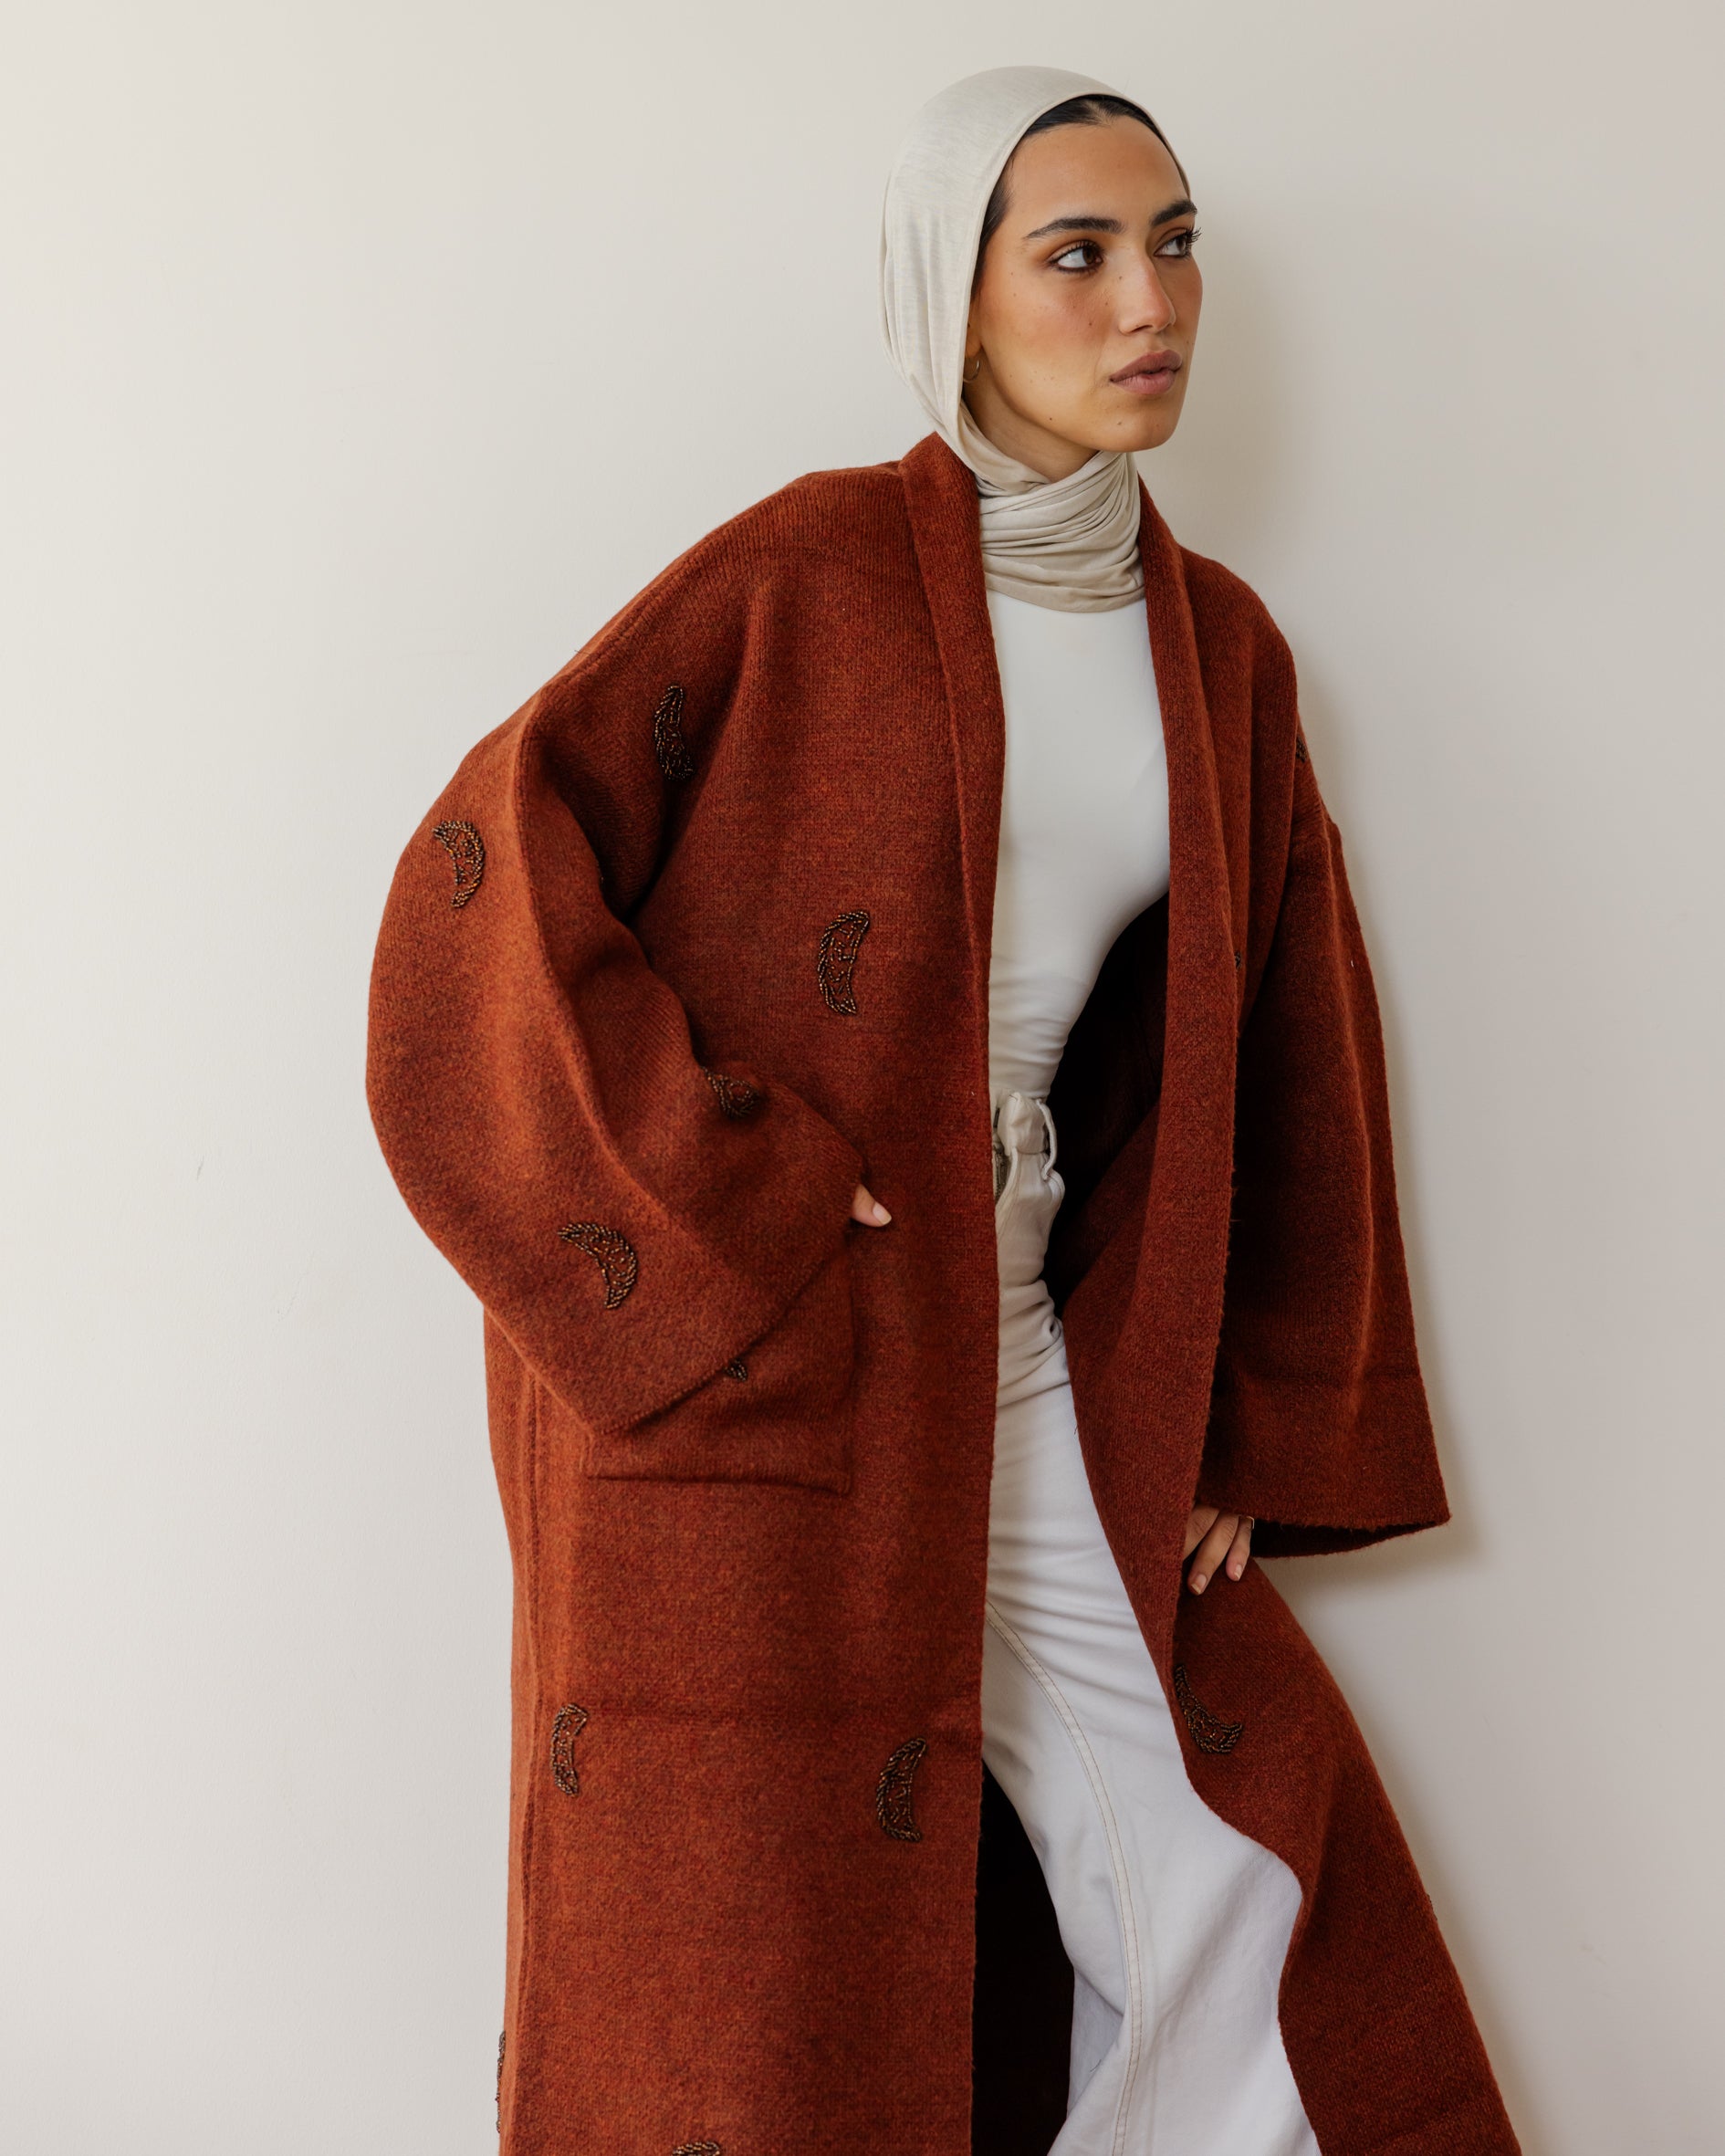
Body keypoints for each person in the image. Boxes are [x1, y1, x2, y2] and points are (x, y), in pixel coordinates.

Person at [367, 64, 1519, 2156]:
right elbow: (485, 879)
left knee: (1231, 1854)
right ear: (950, 292)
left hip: (1027, 1346)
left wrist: (1246, 1407)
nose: (1147, 301)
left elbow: (1282, 1041)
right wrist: (732, 1189)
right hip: (758, 1348)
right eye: (1075, 253)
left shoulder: (1222, 652)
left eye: (1173, 243)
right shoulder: (802, 570)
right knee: (748, 1954)